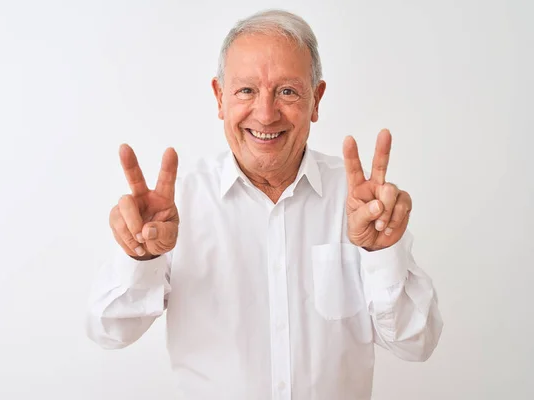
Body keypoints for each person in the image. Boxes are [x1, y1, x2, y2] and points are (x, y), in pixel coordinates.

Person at [86, 9, 443, 400]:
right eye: (246, 91)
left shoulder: (362, 203)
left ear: (316, 100)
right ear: (220, 98)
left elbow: (417, 343)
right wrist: (142, 258)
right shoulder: (177, 206)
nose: (266, 113)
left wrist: (382, 252)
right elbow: (108, 331)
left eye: (287, 91)